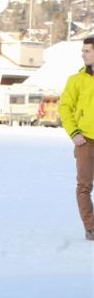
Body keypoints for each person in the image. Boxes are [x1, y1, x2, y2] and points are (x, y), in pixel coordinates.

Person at [60, 36, 94, 241]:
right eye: (82, 51)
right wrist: (74, 133)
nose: (82, 54)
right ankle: (91, 227)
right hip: (85, 142)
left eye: (87, 51)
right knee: (84, 187)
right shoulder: (76, 80)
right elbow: (65, 107)